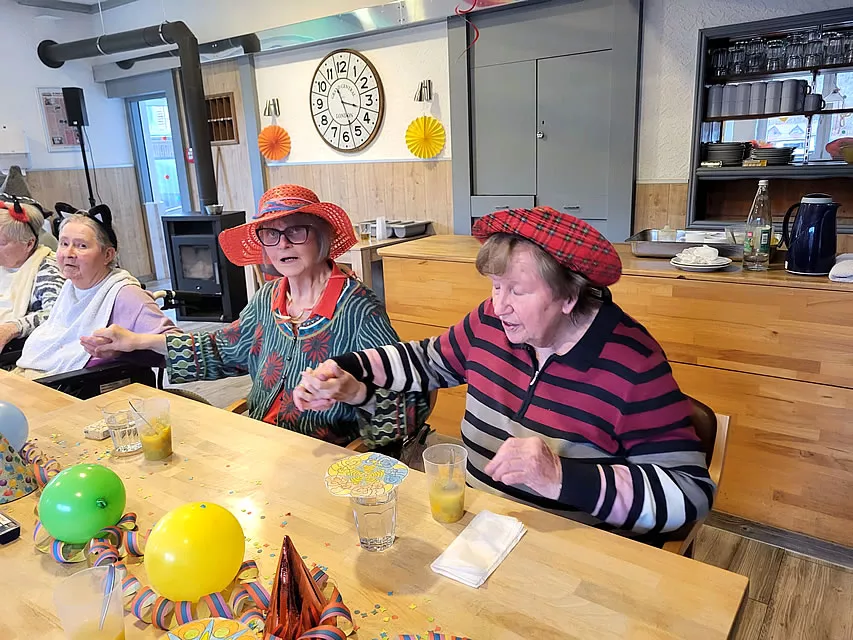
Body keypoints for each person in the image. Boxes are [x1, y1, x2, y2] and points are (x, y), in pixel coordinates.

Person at [294, 207, 715, 543]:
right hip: (476, 527)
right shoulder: (491, 322)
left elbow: (690, 494)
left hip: (568, 551)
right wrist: (347, 367)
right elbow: (429, 361)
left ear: (569, 295)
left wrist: (562, 476)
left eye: (517, 290)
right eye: (496, 286)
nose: (499, 306)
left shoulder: (632, 363)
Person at [83, 184, 430, 452]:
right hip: (260, 445)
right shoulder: (268, 299)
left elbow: (408, 398)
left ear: (322, 235)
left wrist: (355, 393)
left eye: (296, 231)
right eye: (271, 234)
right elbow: (224, 347)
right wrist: (136, 341)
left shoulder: (358, 309)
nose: (283, 244)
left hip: (326, 460)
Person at [14, 207, 176, 379]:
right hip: (45, 375)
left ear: (108, 255)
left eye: (81, 246)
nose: (68, 253)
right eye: (64, 243)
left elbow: (179, 350)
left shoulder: (126, 294)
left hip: (83, 387)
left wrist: (128, 348)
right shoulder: (70, 287)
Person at [0, 195, 64, 353]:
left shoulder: (48, 270)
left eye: (1, 243)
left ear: (29, 244)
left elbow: (57, 313)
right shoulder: (4, 264)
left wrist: (12, 327)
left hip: (24, 351)